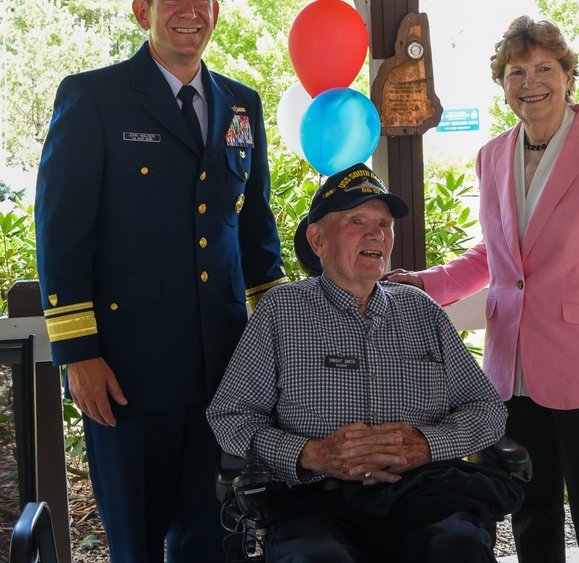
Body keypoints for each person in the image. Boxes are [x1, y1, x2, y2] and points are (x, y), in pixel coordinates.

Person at [34, 0, 287, 562]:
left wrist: (281, 340)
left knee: (220, 540)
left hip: (225, 372)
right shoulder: (94, 98)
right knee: (138, 544)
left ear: (217, 11)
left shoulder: (240, 105)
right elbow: (61, 234)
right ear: (141, 9)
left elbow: (255, 233)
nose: (188, 11)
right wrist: (77, 354)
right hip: (128, 372)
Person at [386, 16, 579, 563]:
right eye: (516, 71)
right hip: (513, 368)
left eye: (544, 67)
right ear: (503, 84)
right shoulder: (492, 156)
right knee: (529, 509)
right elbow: (495, 257)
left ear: (568, 76)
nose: (530, 81)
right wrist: (425, 283)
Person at [207, 163, 523, 563]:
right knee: (318, 558)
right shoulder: (281, 312)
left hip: (425, 494)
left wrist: (426, 445)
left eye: (385, 224)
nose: (377, 234)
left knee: (457, 547)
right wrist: (309, 453)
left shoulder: (421, 310)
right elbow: (231, 416)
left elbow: (487, 411)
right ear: (317, 238)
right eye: (357, 221)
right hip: (318, 500)